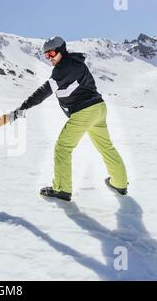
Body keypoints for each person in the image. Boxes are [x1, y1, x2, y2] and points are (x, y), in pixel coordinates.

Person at [17, 36, 128, 201]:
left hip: (84, 111)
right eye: (46, 56)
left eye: (52, 53)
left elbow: (44, 91)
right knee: (106, 147)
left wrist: (24, 106)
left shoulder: (63, 68)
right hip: (98, 108)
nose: (50, 58)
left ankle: (62, 189)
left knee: (63, 148)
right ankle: (120, 183)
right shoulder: (76, 63)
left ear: (61, 50)